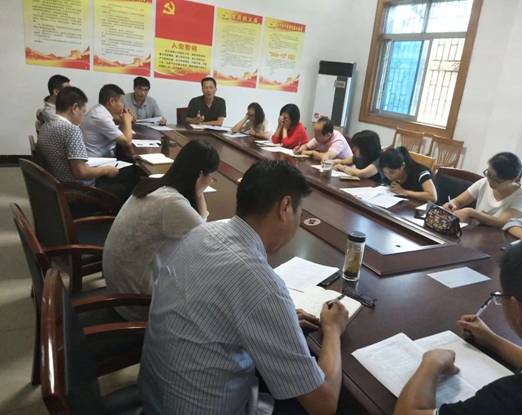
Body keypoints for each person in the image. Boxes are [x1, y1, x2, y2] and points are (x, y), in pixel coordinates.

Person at [139, 160, 349, 415]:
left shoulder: (202, 232)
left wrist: (277, 321)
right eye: (299, 212)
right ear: (285, 207)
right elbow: (324, 404)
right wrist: (333, 329)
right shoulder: (260, 283)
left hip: (155, 399)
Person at [393, 234, 522, 415]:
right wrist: (492, 340)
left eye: (501, 296)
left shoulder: (517, 398)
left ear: (517, 309)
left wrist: (432, 363)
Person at [103, 140, 219, 321]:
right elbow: (206, 240)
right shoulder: (173, 204)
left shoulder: (154, 185)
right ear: (200, 175)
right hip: (135, 301)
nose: (211, 181)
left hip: (117, 284)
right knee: (209, 286)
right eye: (211, 176)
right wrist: (198, 192)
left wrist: (197, 188)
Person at [37, 86, 118, 186]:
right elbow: (81, 172)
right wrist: (107, 170)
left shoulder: (45, 126)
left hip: (55, 184)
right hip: (77, 189)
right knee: (123, 183)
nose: (83, 116)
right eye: (83, 112)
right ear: (75, 108)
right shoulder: (71, 130)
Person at [443, 152, 522, 227]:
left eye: (497, 180)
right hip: (475, 234)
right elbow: (458, 201)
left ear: (513, 179)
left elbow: (501, 222)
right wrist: (452, 204)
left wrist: (472, 213)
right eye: (488, 174)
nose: (490, 181)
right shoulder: (484, 182)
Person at [81, 84, 134, 159]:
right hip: (96, 161)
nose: (123, 105)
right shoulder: (100, 117)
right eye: (121, 101)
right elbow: (127, 142)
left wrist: (124, 120)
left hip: (103, 156)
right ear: (112, 101)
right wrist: (127, 121)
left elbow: (120, 133)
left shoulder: (99, 110)